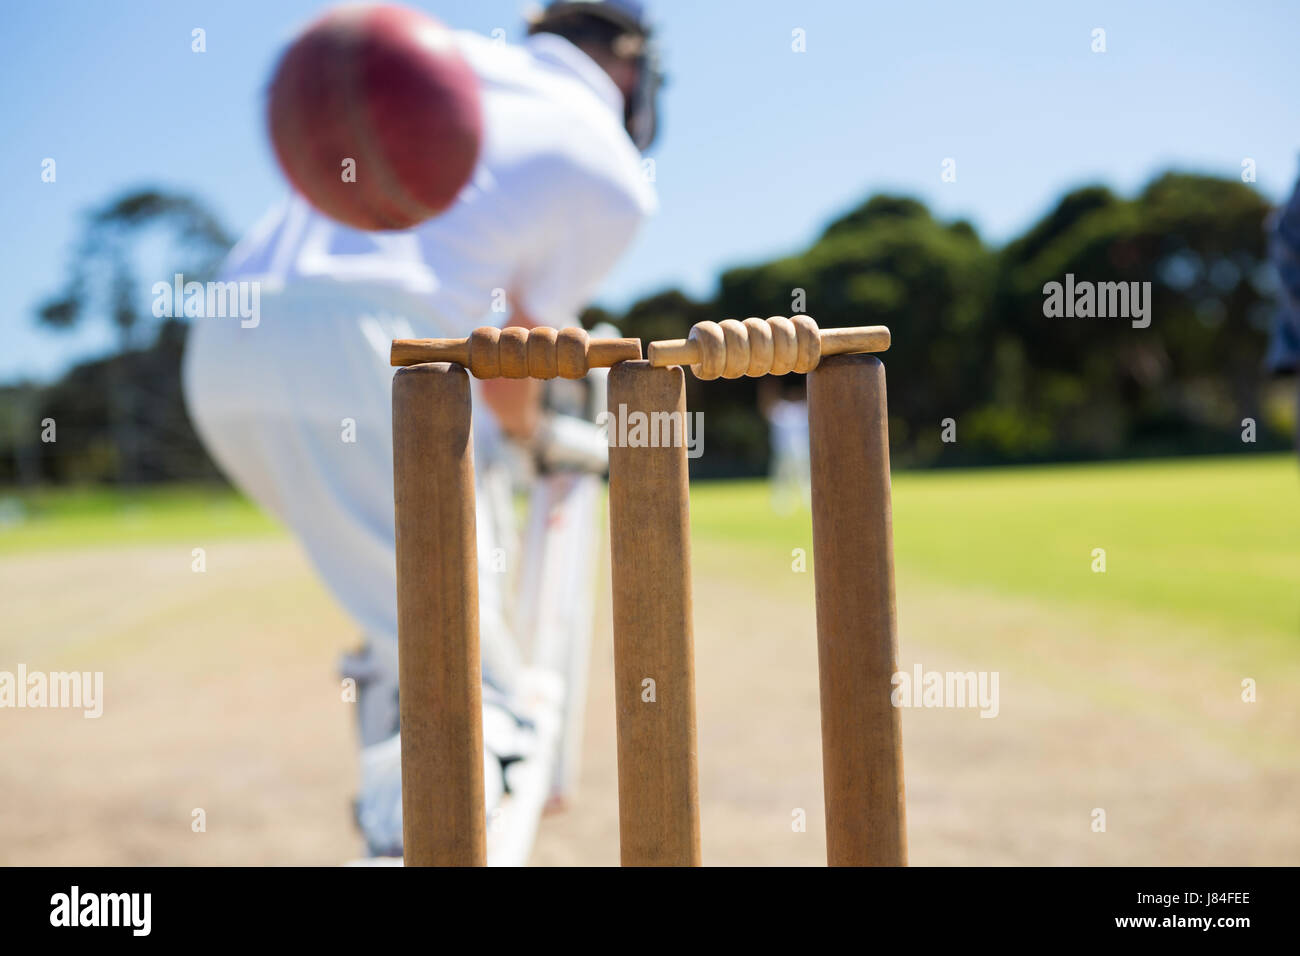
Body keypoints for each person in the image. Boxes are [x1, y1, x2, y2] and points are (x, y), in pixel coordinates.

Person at [182, 0, 663, 862]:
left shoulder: (471, 62)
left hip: (221, 352)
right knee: (475, 685)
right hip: (365, 353)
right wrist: (534, 443)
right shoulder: (614, 167)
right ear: (628, 64)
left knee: (408, 616)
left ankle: (405, 723)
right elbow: (524, 348)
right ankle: (413, 830)